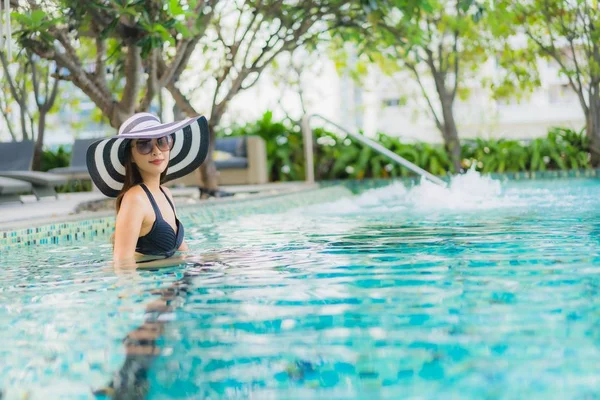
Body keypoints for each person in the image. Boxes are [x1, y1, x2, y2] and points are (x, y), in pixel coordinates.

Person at [86, 112, 210, 267]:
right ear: (130, 156)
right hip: (151, 287)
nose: (156, 151)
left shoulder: (165, 193)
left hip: (172, 281)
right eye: (144, 144)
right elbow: (122, 262)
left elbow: (183, 252)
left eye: (162, 141)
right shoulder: (135, 199)